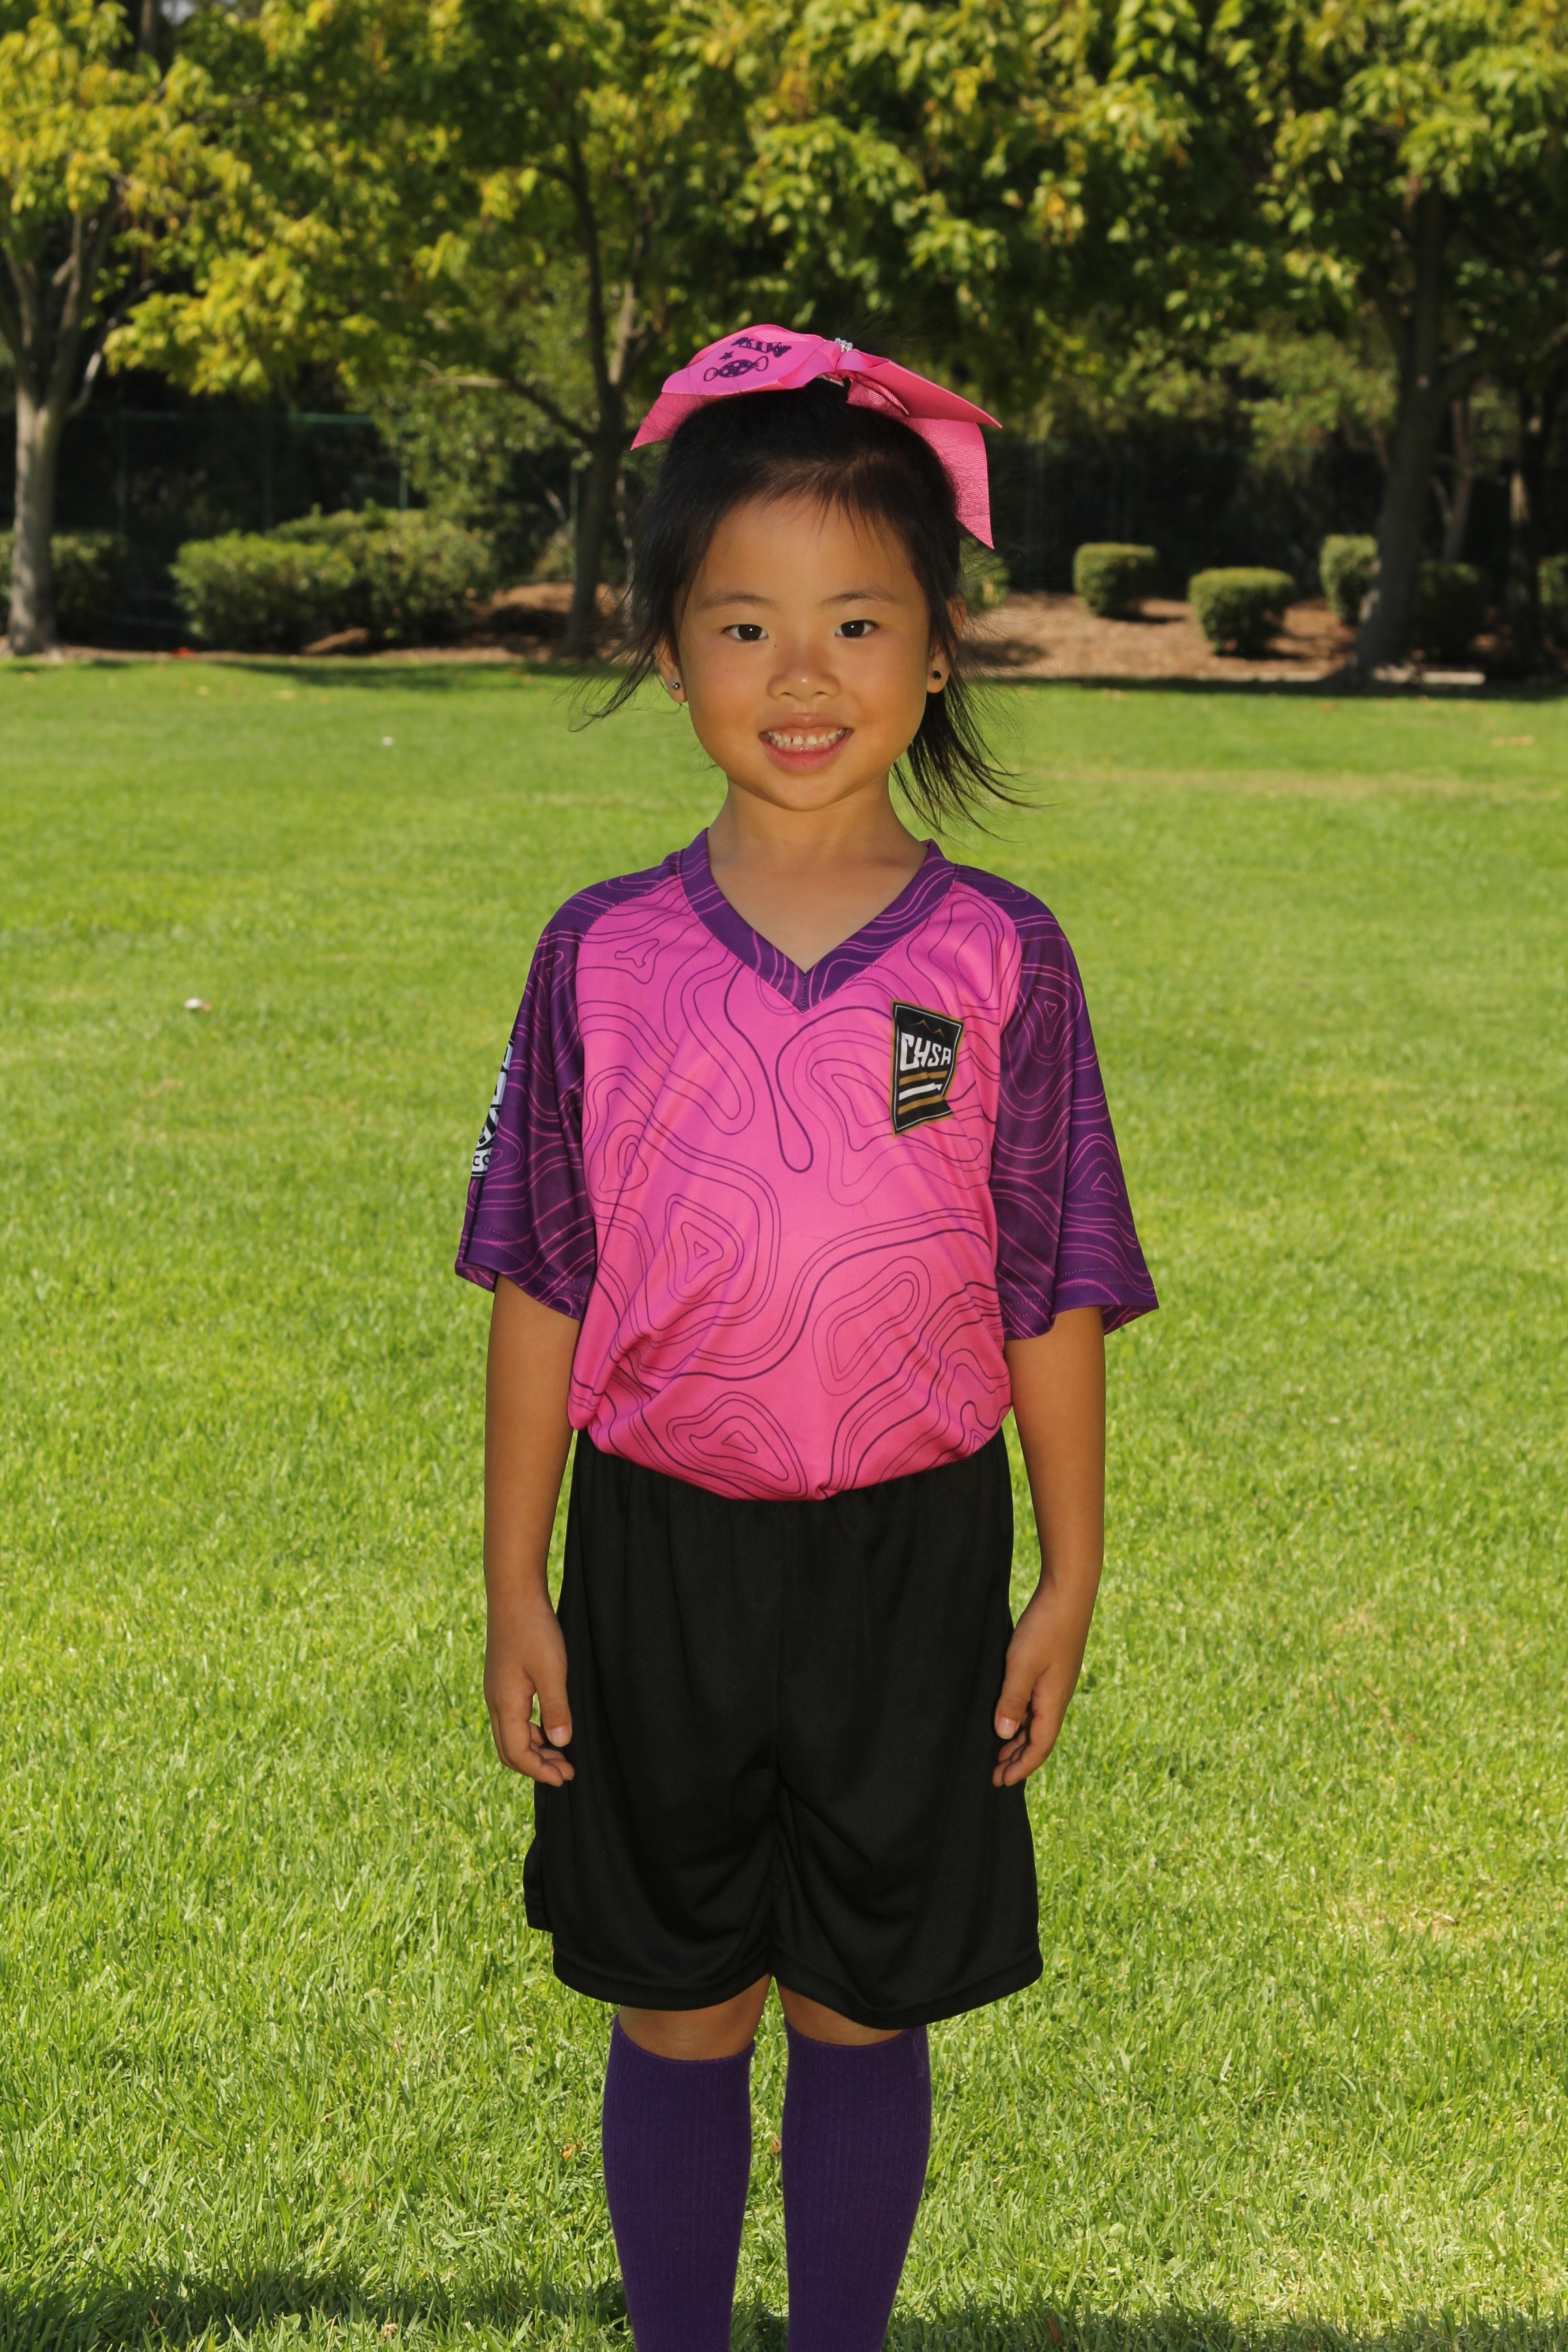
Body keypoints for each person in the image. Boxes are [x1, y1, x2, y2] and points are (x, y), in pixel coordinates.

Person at [456, 325, 1157, 2352]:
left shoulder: (998, 955)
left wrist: (1071, 1568)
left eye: (857, 621)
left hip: (910, 1555)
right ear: (669, 649)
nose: (802, 673)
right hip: (661, 1549)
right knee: (680, 2004)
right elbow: (542, 1274)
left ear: (938, 650)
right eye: (743, 623)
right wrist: (516, 1582)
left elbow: (1048, 1274)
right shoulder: (601, 954)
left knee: (865, 1997)